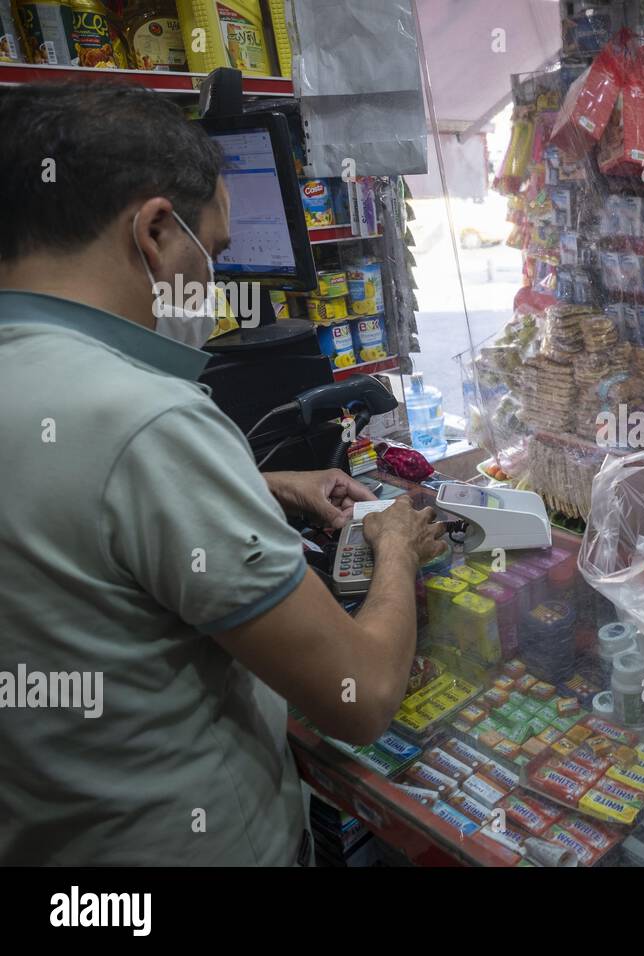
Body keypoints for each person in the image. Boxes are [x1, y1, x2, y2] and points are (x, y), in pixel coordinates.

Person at [0, 84, 444, 865]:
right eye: (217, 252)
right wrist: (397, 546)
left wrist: (261, 485)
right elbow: (360, 696)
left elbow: (67, 518)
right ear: (157, 231)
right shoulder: (147, 418)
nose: (215, 283)